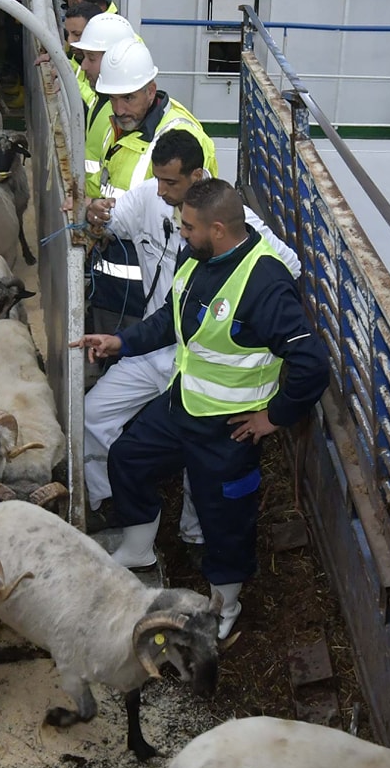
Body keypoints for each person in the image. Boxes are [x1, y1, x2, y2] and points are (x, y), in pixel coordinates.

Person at [73, 180, 328, 639]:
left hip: (230, 429)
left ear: (218, 229)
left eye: (188, 226)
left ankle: (225, 604)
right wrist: (121, 342)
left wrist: (273, 418)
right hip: (181, 405)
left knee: (225, 518)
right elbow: (170, 319)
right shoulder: (193, 258)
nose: (181, 232)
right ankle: (138, 549)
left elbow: (312, 363)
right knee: (128, 456)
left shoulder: (265, 283)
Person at [83, 130, 299, 543]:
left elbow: (289, 265)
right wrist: (94, 213)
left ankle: (194, 536)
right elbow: (109, 220)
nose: (161, 190)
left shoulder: (236, 223)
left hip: (204, 363)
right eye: (158, 179)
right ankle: (110, 500)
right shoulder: (149, 197)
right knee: (93, 414)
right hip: (153, 342)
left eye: (170, 182)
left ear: (196, 176)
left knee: (198, 453)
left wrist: (240, 309)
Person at [84, 36, 217, 201]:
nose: (119, 110)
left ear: (151, 91)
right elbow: (104, 182)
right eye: (112, 98)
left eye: (128, 98)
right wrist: (85, 200)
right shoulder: (119, 126)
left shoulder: (185, 138)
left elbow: (194, 211)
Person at [62, 0, 107, 112]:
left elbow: (96, 105)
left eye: (77, 34)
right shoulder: (75, 58)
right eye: (67, 34)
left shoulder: (111, 65)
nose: (70, 41)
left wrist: (67, 81)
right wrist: (57, 62)